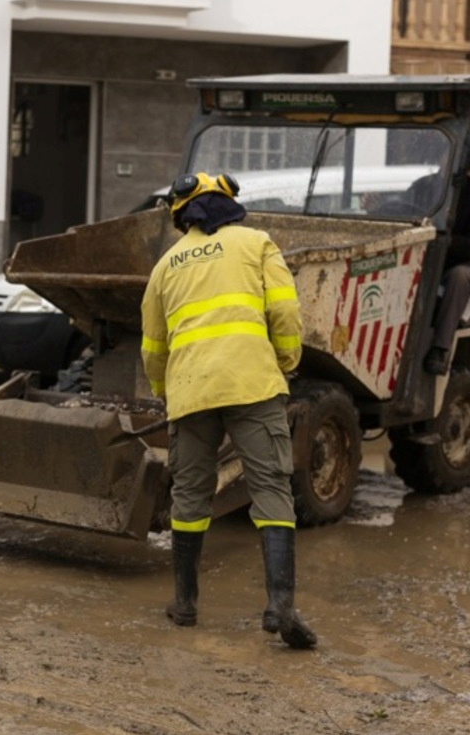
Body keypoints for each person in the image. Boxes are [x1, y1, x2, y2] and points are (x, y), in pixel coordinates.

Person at [140, 171, 317, 649]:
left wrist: (168, 392)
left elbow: (154, 349)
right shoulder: (257, 244)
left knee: (191, 497)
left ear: (182, 216)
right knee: (271, 490)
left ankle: (185, 606)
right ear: (229, 202)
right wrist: (283, 363)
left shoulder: (166, 265)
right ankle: (280, 605)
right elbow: (284, 313)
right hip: (251, 384)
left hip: (191, 393)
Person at [422, 171, 470, 374]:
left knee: (460, 276)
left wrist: (446, 241)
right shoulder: (423, 186)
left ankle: (440, 348)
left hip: (461, 264)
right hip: (424, 259)